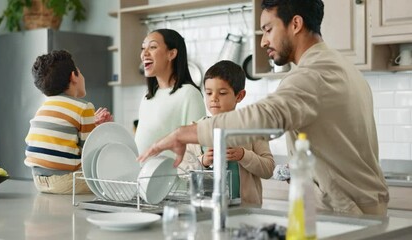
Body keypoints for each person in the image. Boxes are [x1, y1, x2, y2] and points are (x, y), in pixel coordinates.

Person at [139, 0, 389, 216]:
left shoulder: (312, 75)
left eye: (268, 29)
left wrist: (183, 133)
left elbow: (266, 118)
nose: (263, 41)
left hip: (344, 213)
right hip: (359, 207)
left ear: (296, 24)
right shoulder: (345, 67)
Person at [184, 60, 275, 205]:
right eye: (208, 93)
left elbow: (268, 169)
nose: (213, 98)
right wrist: (203, 162)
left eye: (222, 93)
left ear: (239, 96)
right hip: (207, 208)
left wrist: (244, 155)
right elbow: (182, 171)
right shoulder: (196, 129)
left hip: (246, 210)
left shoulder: (253, 128)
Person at [25, 50, 113, 194]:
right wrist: (100, 131)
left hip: (39, 181)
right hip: (67, 182)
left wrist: (93, 124)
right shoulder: (84, 108)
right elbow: (90, 153)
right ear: (74, 76)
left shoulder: (43, 107)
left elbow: (62, 136)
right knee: (111, 175)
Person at [135, 28, 206, 158]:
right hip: (141, 176)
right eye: (143, 48)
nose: (144, 54)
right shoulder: (147, 97)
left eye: (152, 47)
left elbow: (196, 150)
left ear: (171, 54)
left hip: (171, 178)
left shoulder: (189, 94)